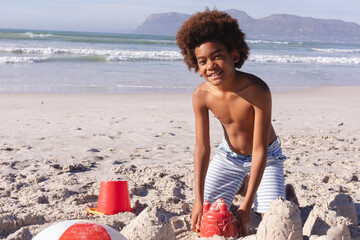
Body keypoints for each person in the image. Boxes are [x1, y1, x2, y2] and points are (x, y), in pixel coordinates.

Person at [176, 9, 291, 236]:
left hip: (266, 157)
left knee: (275, 220)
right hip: (228, 157)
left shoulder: (257, 90)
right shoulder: (201, 95)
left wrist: (246, 206)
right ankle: (242, 184)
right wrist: (198, 200)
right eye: (202, 61)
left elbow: (259, 149)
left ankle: (273, 193)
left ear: (234, 56)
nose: (210, 65)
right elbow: (202, 148)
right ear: (196, 66)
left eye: (217, 56)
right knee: (208, 216)